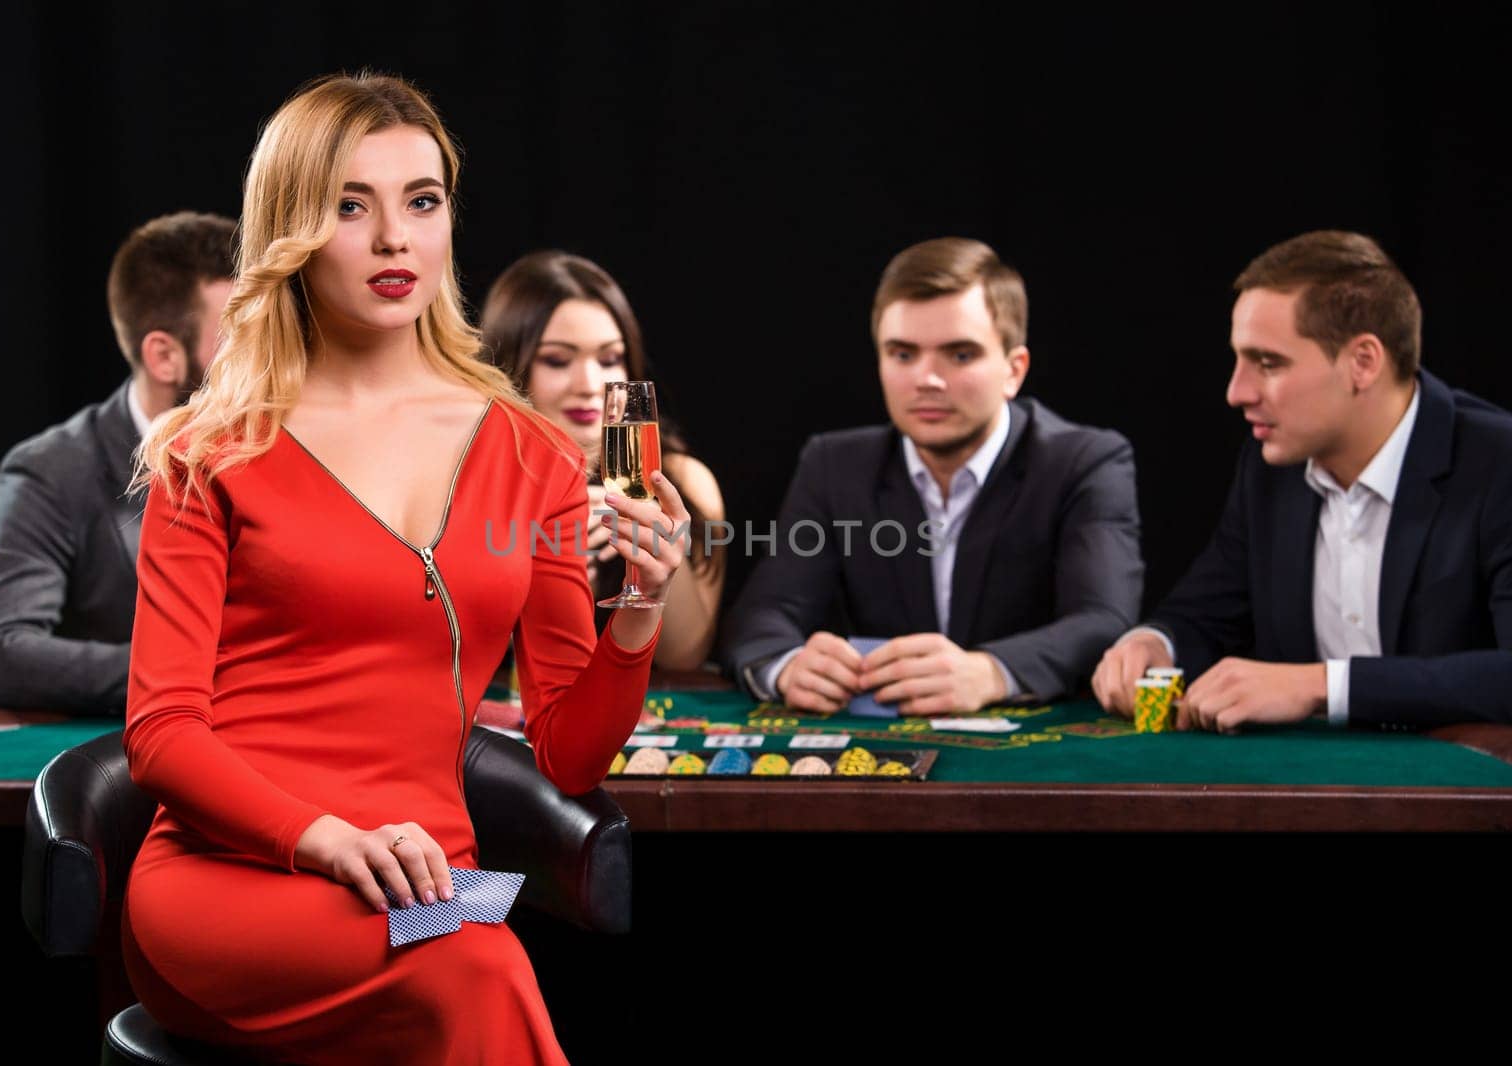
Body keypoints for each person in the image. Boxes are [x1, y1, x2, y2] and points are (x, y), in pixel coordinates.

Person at [123, 73, 687, 1064]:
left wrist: (638, 608)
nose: (395, 239)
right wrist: (330, 838)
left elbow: (566, 754)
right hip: (228, 885)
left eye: (420, 201)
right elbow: (161, 733)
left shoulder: (535, 451)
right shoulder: (203, 447)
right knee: (479, 968)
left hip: (428, 883)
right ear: (290, 228)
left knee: (477, 951)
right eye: (351, 205)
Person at [1092, 230, 1512, 732]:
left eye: (1268, 363)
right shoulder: (1270, 469)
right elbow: (1206, 613)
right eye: (1239, 360)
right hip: (1311, 795)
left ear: (1363, 362)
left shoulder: (1498, 462)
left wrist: (1319, 686)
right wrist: (1155, 642)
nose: (1236, 392)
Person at [721, 237, 1143, 712]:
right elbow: (762, 614)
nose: (927, 378)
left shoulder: (1085, 461)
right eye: (903, 354)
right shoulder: (834, 465)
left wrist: (991, 672)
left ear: (1013, 369)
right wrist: (789, 666)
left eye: (960, 355)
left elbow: (1105, 619)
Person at [0, 211, 234, 714]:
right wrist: (180, 671)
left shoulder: (299, 441)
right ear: (163, 357)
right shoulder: (55, 470)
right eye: (238, 337)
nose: (268, 357)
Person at [481, 250, 725, 669]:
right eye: (557, 360)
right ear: (509, 364)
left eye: (609, 359)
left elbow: (684, 659)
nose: (591, 384)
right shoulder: (469, 475)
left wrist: (657, 564)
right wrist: (546, 588)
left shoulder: (684, 478)